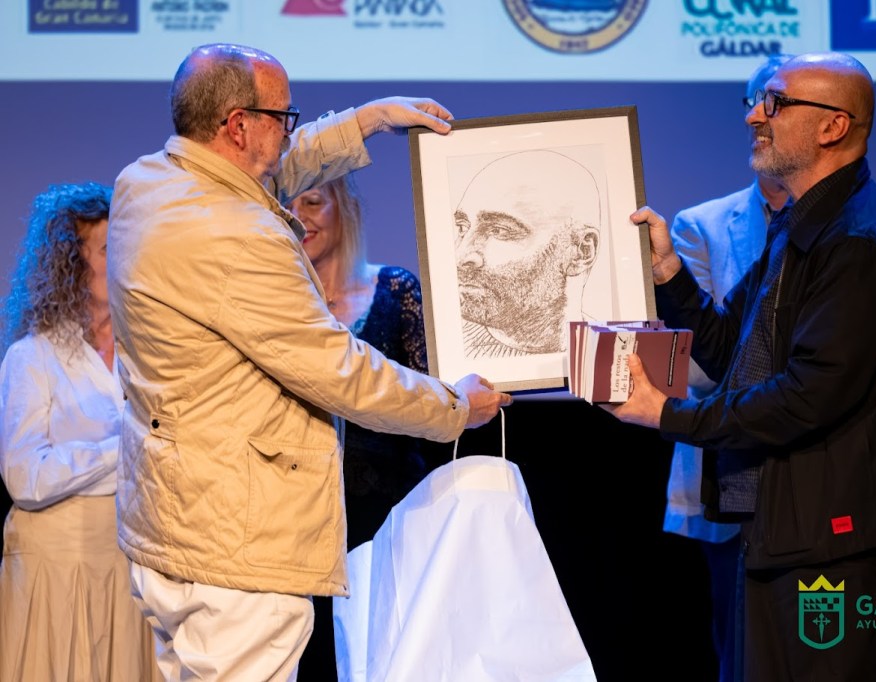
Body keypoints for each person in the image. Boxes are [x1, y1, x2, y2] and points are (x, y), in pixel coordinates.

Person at [106, 43, 511, 681]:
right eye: (282, 118)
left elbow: (259, 174)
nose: (289, 132)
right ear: (238, 125)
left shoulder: (147, 183)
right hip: (237, 547)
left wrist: (368, 120)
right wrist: (454, 407)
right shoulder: (241, 236)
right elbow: (339, 371)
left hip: (173, 526)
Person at [609, 52, 876, 681]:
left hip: (835, 540)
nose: (754, 116)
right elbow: (732, 349)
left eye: (776, 103)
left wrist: (672, 416)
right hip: (788, 527)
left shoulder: (858, 241)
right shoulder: (803, 224)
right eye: (759, 102)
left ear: (833, 127)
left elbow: (807, 396)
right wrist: (668, 273)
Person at [0, 182, 161, 681]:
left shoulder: (148, 355)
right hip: (59, 571)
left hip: (131, 564)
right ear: (71, 262)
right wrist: (126, 448)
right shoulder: (34, 357)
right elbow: (27, 478)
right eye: (110, 249)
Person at [287, 174, 443, 679]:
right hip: (299, 521)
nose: (299, 217)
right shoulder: (279, 308)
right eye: (288, 205)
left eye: (313, 201)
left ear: (345, 209)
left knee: (381, 653)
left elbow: (428, 397)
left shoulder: (395, 290)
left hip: (386, 516)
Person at [454, 149, 601, 358]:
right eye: (462, 227)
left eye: (499, 231)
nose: (461, 255)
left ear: (581, 252)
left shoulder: (619, 355)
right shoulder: (438, 355)